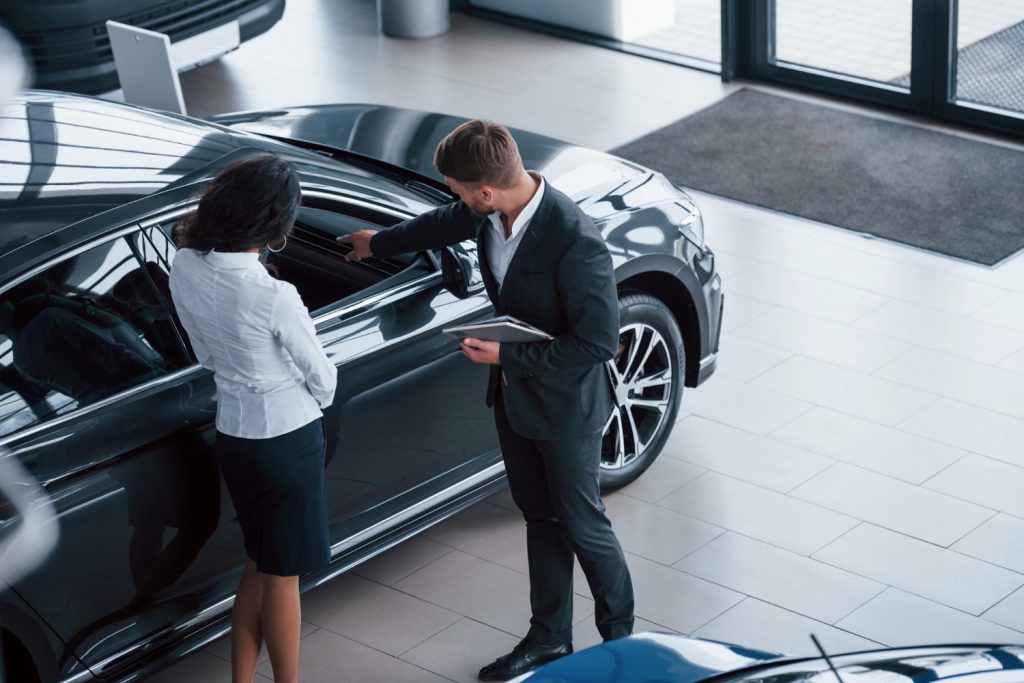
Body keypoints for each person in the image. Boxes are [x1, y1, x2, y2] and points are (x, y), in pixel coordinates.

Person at [339, 120, 634, 681]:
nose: (455, 196)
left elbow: (598, 344)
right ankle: (549, 638)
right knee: (540, 516)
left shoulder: (577, 242)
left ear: (486, 190)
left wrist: (508, 359)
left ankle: (621, 648)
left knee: (582, 524)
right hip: (514, 400)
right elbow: (444, 222)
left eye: (457, 187)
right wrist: (375, 242)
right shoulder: (488, 208)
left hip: (566, 406)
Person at [168, 154, 337, 683]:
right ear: (275, 224)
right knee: (283, 577)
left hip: (236, 436)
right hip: (288, 438)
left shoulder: (184, 265)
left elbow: (205, 356)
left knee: (258, 562)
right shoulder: (274, 295)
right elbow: (324, 382)